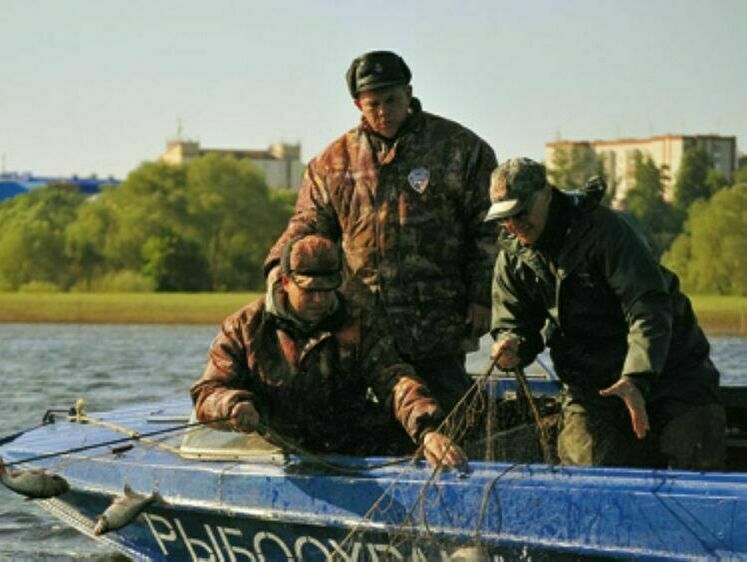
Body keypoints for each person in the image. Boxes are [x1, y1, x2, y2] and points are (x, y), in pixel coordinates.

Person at [264, 50, 498, 416]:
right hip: (361, 324)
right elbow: (306, 227)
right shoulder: (332, 163)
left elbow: (489, 229)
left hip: (437, 322)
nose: (384, 111)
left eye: (392, 100)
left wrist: (482, 296)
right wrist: (279, 271)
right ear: (358, 104)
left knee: (449, 421)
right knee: (358, 426)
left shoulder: (460, 149)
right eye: (373, 104)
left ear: (408, 93)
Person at [486, 157, 725, 470]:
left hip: (671, 369)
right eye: (504, 219)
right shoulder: (512, 255)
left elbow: (647, 307)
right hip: (590, 384)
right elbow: (514, 321)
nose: (514, 225)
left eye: (520, 213)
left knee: (693, 456)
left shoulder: (606, 231)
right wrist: (512, 344)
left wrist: (636, 378)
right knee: (583, 466)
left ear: (545, 193)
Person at [191, 235, 466, 470]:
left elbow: (394, 379)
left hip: (350, 442)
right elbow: (208, 391)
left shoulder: (358, 321)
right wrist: (233, 405)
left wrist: (427, 430)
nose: (320, 300)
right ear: (285, 282)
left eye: (327, 290)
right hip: (278, 448)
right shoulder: (244, 326)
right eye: (310, 291)